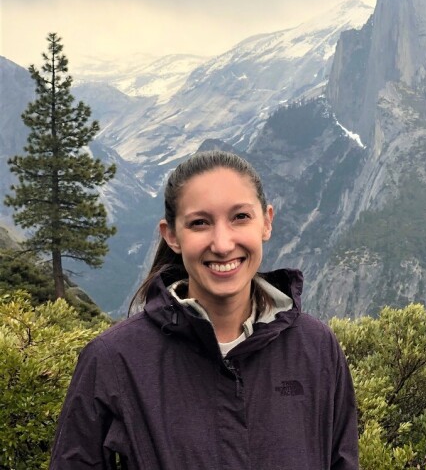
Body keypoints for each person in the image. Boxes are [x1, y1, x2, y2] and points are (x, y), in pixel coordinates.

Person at [50, 150, 359, 469]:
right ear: (171, 235)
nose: (223, 244)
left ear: (266, 222)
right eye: (200, 223)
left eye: (240, 217)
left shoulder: (316, 348)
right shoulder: (115, 360)